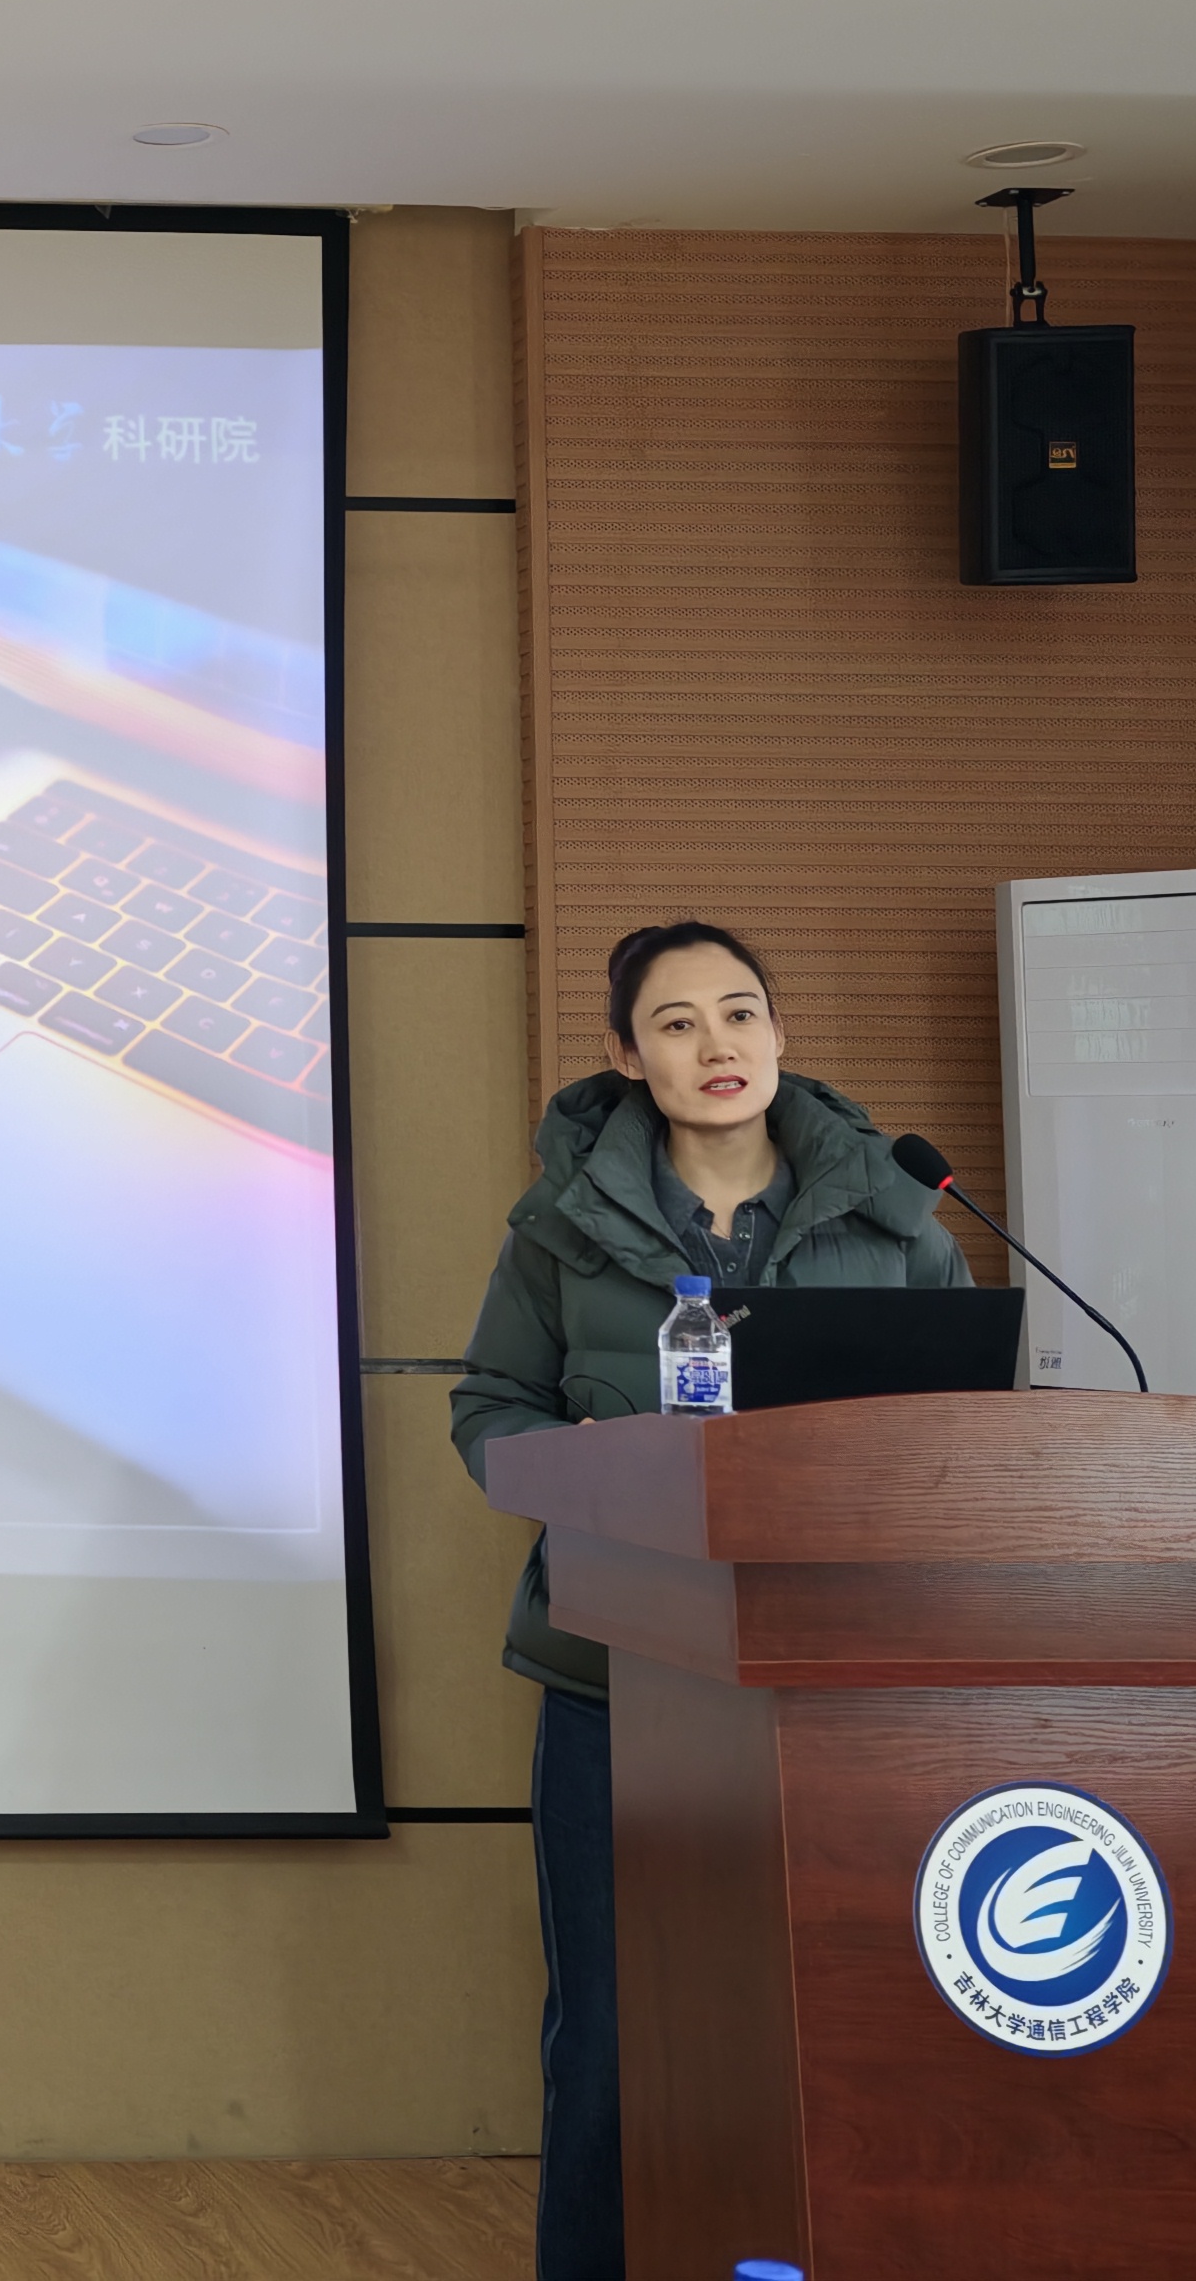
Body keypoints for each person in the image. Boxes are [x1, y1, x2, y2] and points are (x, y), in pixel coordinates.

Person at [449, 920, 970, 2281]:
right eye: (675, 1023)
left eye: (740, 1012)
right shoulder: (562, 1228)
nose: (716, 1044)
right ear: (628, 1056)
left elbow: (967, 1429)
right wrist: (581, 1483)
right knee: (615, 2035)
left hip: (841, 1685)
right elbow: (491, 1408)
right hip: (621, 1679)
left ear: (779, 1034)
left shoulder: (897, 1216)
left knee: (846, 2017)